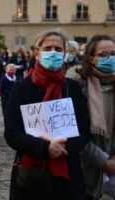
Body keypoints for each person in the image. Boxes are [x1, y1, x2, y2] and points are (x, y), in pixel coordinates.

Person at [4, 29, 90, 200]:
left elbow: (84, 129)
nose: (53, 53)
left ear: (64, 53)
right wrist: (45, 148)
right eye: (48, 48)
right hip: (31, 173)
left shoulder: (72, 87)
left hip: (67, 171)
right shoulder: (21, 88)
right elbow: (12, 133)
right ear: (37, 54)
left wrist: (65, 147)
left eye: (58, 49)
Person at [66, 35, 115, 200]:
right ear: (91, 59)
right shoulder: (78, 87)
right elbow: (73, 132)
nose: (111, 58)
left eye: (114, 53)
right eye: (104, 55)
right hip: (85, 169)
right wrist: (103, 161)